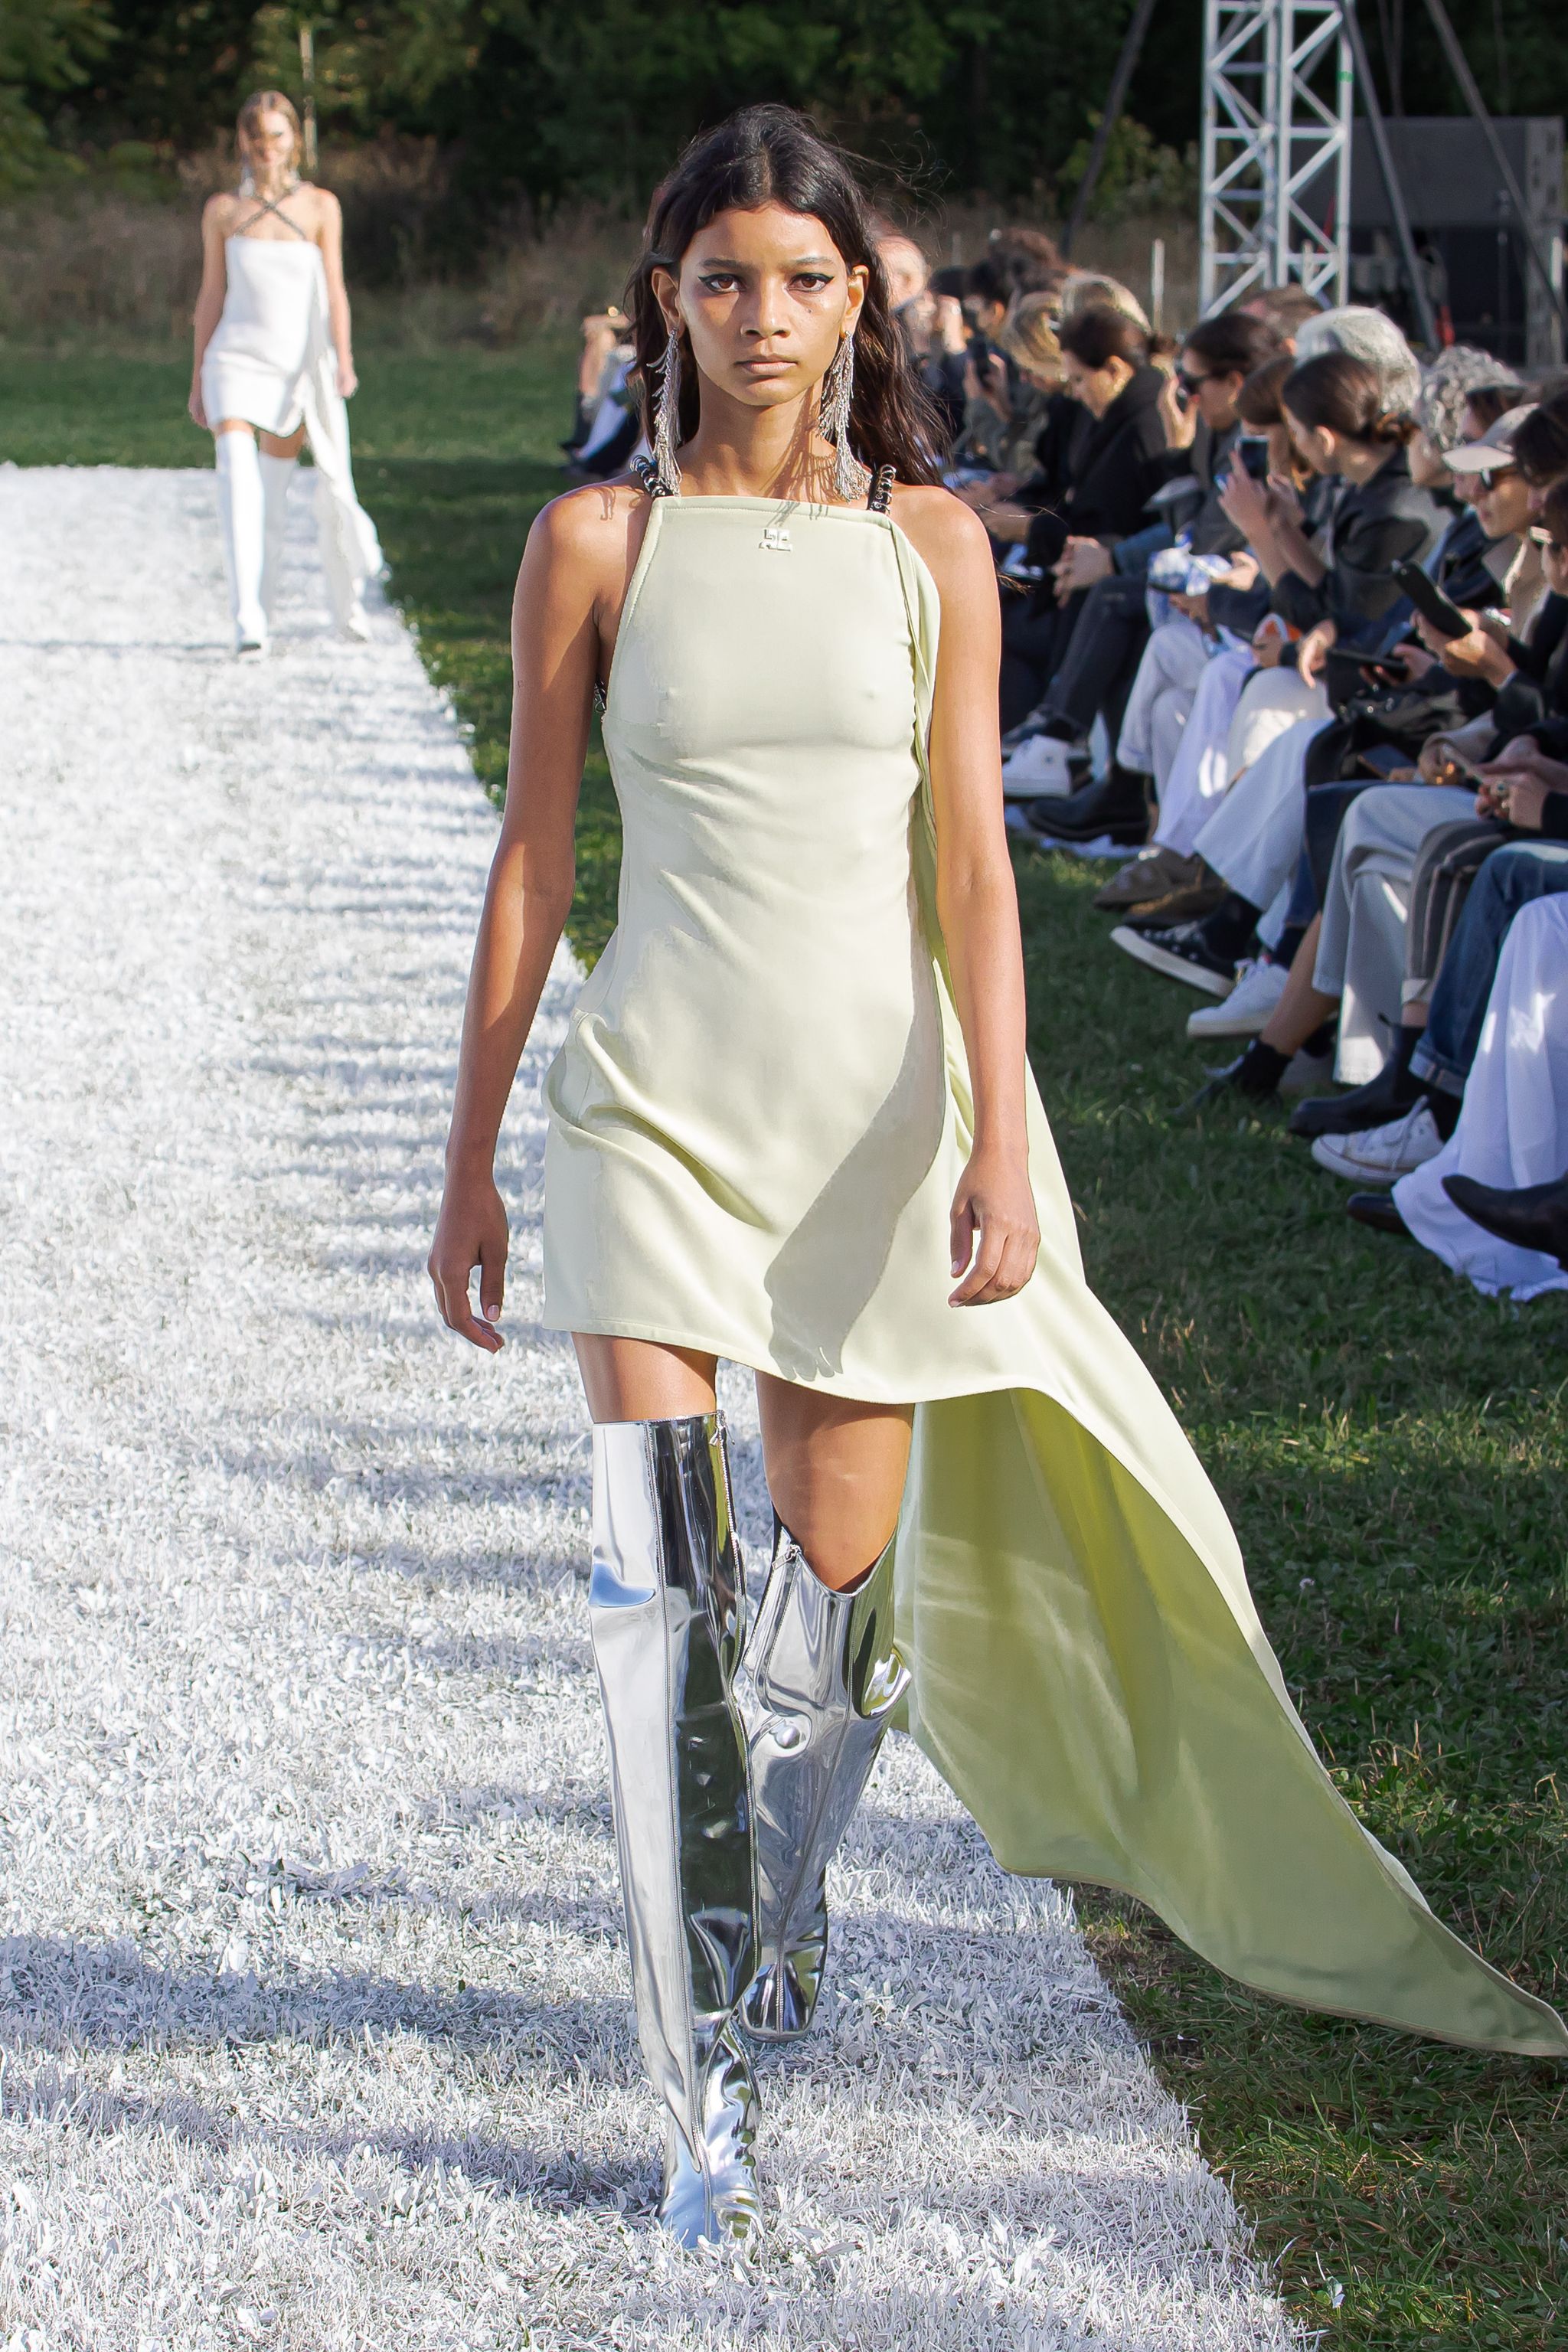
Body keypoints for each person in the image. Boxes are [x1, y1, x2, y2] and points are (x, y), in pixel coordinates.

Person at [427, 106, 1564, 2249]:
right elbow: (532, 864)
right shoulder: (599, 544)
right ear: (668, 293)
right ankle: (705, 2101)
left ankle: (767, 1919)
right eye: (722, 277)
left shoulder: (930, 546)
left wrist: (1003, 1141)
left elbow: (974, 872)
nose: (763, 318)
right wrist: (474, 1154)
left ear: (861, 298)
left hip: (878, 1122)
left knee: (824, 1605)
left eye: (803, 277)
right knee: (656, 1616)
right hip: (654, 1104)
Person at [189, 90, 381, 655]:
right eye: (256, 137)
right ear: (242, 143)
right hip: (233, 359)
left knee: (274, 498)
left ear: (294, 140)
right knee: (235, 478)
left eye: (276, 135)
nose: (266, 148)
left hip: (296, 367)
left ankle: (264, 606)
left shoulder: (321, 206)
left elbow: (336, 289)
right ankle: (246, 615)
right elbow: (210, 296)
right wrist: (199, 374)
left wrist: (343, 360)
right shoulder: (223, 211)